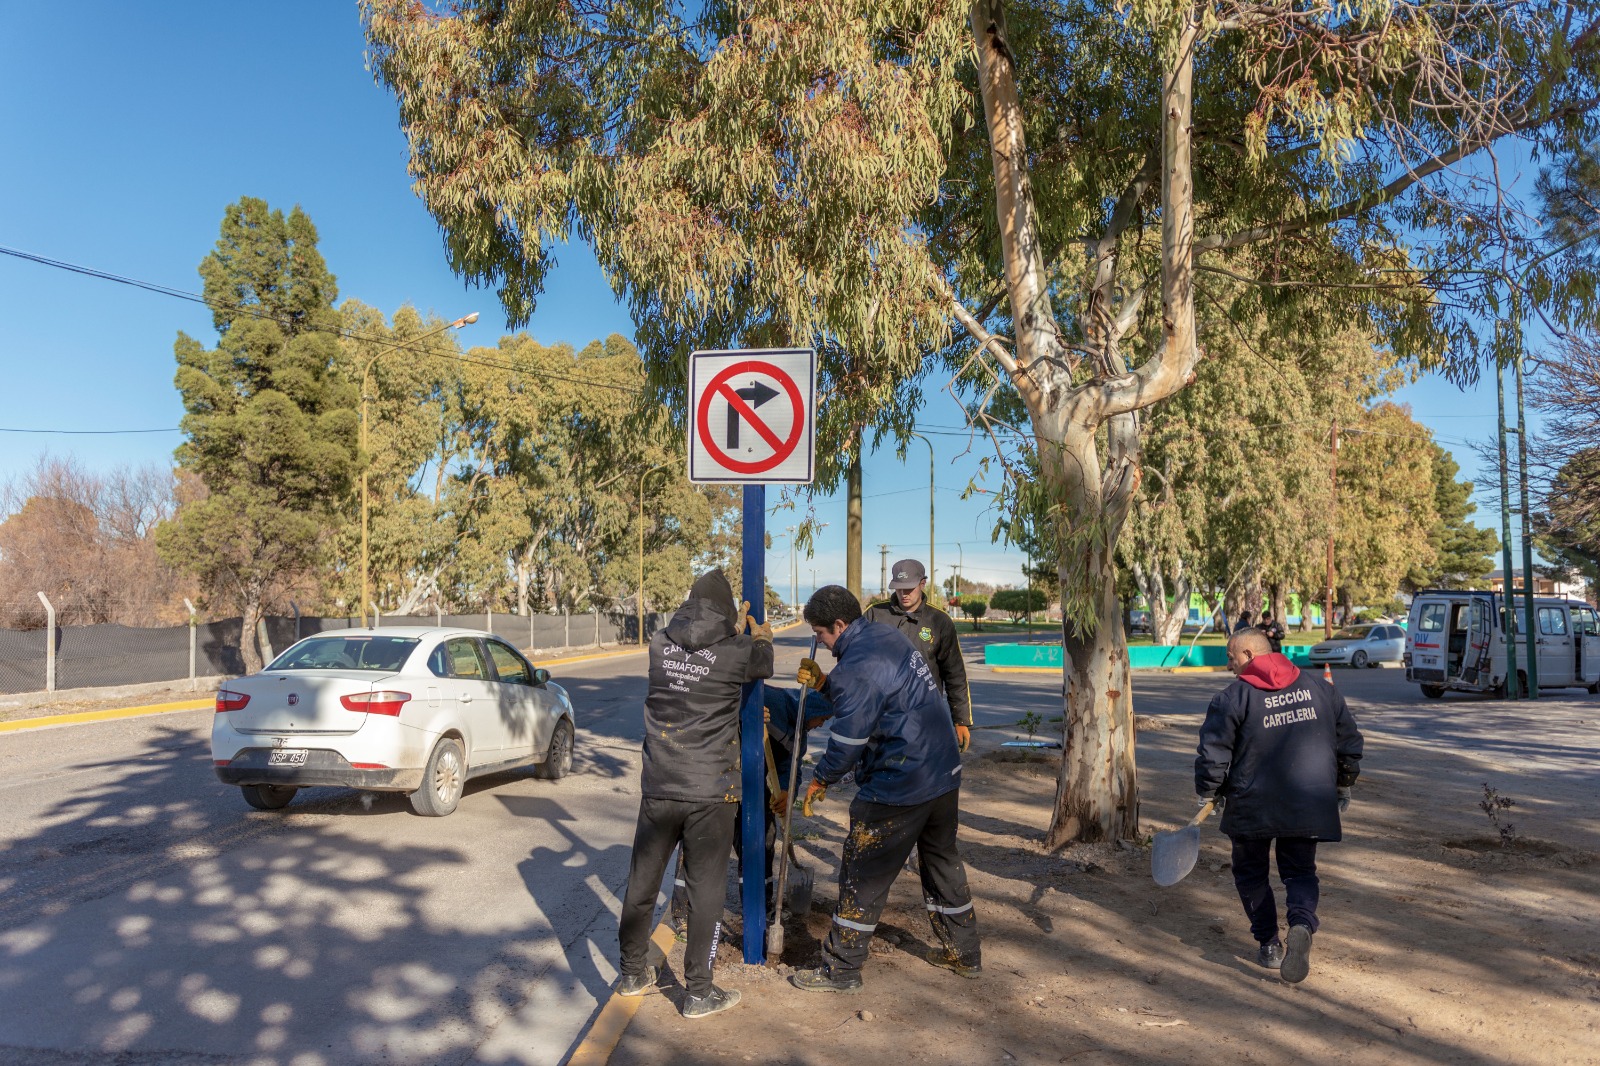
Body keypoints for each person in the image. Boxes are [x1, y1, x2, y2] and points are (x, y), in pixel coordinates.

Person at [789, 585, 982, 993]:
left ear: (839, 625)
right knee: (942, 862)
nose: (820, 642)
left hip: (902, 780)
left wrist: (821, 777)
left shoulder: (859, 661)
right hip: (943, 772)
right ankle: (963, 953)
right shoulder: (884, 636)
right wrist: (827, 684)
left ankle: (840, 969)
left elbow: (849, 741)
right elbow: (871, 693)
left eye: (821, 634)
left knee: (863, 872)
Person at [615, 569, 773, 1019]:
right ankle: (699, 993)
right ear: (727, 613)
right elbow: (760, 661)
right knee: (706, 891)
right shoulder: (738, 651)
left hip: (660, 783)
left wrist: (731, 630)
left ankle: (631, 973)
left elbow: (700, 645)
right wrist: (757, 635)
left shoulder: (658, 644)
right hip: (711, 790)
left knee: (643, 882)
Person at [1195, 628, 1364, 984]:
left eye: (1231, 658)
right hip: (1309, 801)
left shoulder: (1232, 698)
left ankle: (1269, 944)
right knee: (1300, 872)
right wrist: (1344, 784)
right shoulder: (1322, 689)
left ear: (1249, 655)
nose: (1230, 666)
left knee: (1251, 874)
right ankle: (1301, 923)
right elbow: (1349, 741)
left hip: (1251, 805)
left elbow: (1214, 756)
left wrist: (1209, 792)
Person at [863, 559, 972, 751]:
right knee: (880, 772)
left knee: (919, 772)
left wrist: (961, 719)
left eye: (909, 588)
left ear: (922, 583)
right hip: (880, 716)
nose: (903, 594)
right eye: (899, 588)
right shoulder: (874, 615)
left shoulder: (940, 621)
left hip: (924, 715)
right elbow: (857, 662)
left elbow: (954, 674)